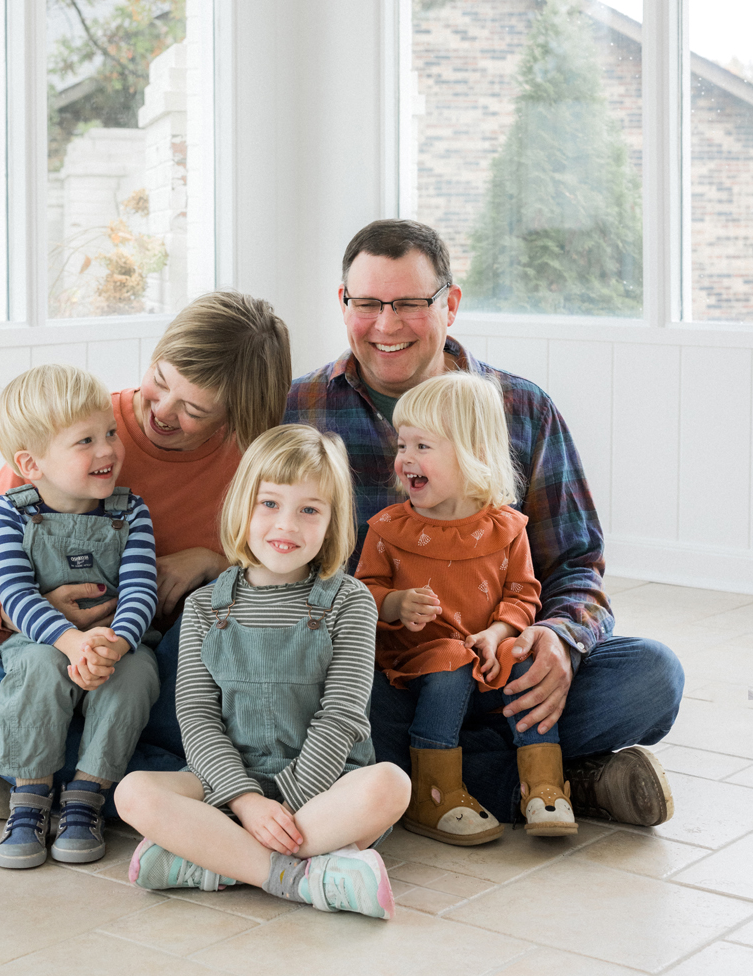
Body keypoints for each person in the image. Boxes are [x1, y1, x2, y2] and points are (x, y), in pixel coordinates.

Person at [285, 219, 685, 828]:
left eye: (410, 304)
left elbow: (577, 563)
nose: (386, 325)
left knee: (653, 677)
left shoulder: (521, 408)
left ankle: (438, 783)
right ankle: (561, 779)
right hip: (386, 679)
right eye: (366, 303)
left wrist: (559, 640)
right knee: (313, 700)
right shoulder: (302, 409)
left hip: (505, 671)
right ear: (344, 303)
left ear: (450, 304)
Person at [0, 292, 292, 819]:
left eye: (194, 409)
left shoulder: (254, 462)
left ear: (236, 413)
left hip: (156, 672)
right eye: (160, 381)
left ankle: (37, 771)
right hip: (52, 658)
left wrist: (216, 562)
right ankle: (188, 790)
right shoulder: (79, 427)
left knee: (211, 686)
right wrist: (35, 608)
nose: (162, 411)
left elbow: (300, 581)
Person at [115, 424, 410, 921]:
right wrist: (249, 802)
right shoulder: (206, 605)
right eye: (269, 504)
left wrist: (286, 805)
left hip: (326, 789)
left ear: (333, 520)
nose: (287, 526)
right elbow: (197, 716)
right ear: (242, 507)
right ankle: (296, 875)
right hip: (229, 786)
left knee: (391, 785)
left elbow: (341, 714)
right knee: (133, 793)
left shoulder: (351, 602)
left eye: (309, 510)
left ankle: (217, 860)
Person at [357, 370, 576, 846]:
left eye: (422, 447)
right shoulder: (389, 528)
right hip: (414, 666)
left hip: (488, 658)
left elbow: (523, 594)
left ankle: (543, 785)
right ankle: (435, 793)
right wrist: (394, 604)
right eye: (401, 446)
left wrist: (500, 634)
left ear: (474, 453)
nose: (404, 459)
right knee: (449, 661)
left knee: (535, 657)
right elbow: (361, 593)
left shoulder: (507, 527)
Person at [0, 364, 160, 868]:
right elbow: (16, 595)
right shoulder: (10, 513)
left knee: (140, 674)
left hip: (114, 647)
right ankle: (30, 795)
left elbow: (140, 591)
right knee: (35, 670)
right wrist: (69, 642)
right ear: (31, 462)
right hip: (45, 644)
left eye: (110, 432)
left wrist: (116, 646)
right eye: (85, 440)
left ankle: (86, 795)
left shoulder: (130, 511)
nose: (107, 449)